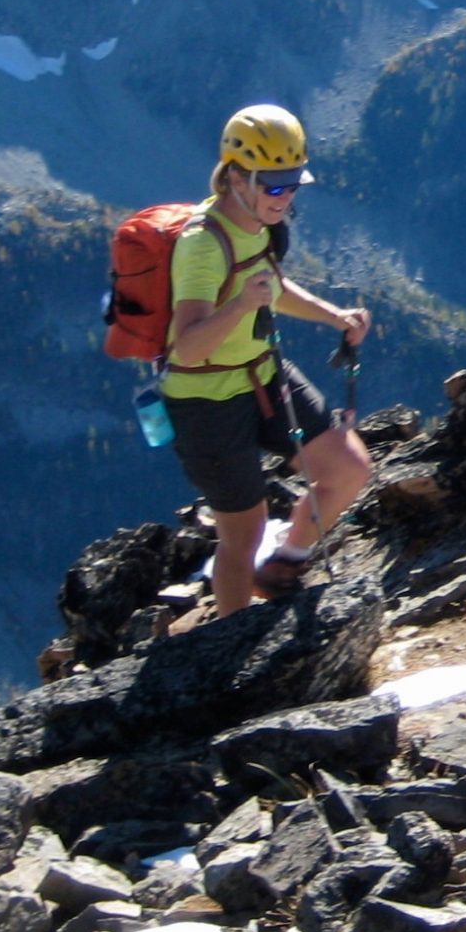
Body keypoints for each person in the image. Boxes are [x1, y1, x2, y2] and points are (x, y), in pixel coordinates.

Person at [162, 104, 372, 622]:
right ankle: (232, 645)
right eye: (274, 185)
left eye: (293, 184)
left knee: (348, 469)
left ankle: (283, 566)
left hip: (261, 374)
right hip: (206, 400)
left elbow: (271, 286)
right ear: (237, 177)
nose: (285, 196)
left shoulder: (256, 222)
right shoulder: (202, 245)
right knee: (242, 533)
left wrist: (334, 316)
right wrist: (240, 305)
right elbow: (187, 347)